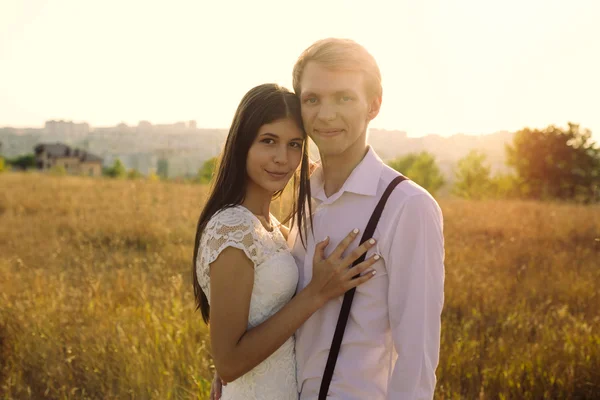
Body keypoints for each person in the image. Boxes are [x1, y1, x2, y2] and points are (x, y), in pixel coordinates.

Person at [212, 39, 445, 400]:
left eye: (344, 98)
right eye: (312, 99)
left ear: (374, 105)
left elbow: (417, 358)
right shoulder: (304, 196)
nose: (326, 114)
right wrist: (240, 373)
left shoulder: (407, 206)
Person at [193, 83, 380, 400]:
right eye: (269, 141)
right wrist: (315, 294)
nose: (282, 158)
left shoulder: (273, 227)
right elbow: (228, 363)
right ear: (242, 144)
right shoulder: (232, 227)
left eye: (294, 144)